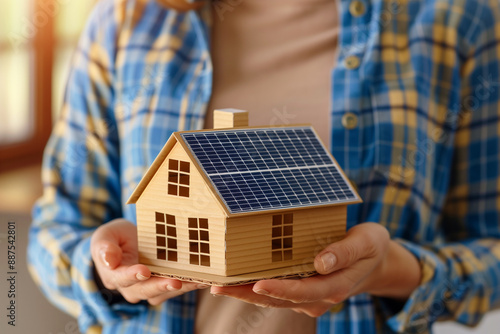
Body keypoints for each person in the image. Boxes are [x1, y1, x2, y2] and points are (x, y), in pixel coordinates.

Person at [28, 0, 500, 333]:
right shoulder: (126, 18)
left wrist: (395, 270)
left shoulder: (458, 19)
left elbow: (491, 254)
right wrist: (105, 273)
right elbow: (54, 227)